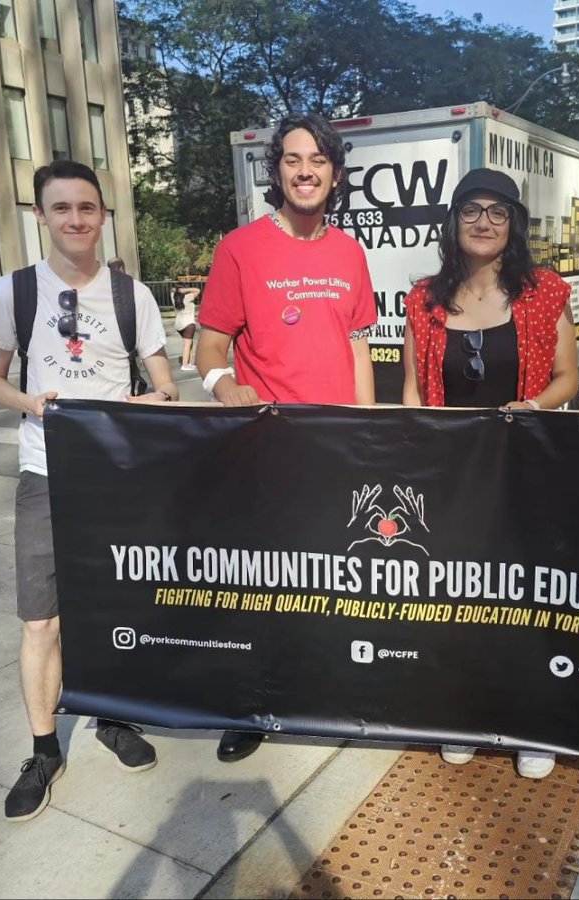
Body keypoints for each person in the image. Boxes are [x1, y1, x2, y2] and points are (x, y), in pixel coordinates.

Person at [0, 160, 181, 822]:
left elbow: (167, 386)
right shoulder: (15, 292)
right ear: (41, 215)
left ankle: (113, 718)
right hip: (45, 471)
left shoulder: (133, 297)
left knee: (119, 602)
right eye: (61, 208)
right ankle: (43, 749)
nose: (75, 220)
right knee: (42, 618)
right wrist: (30, 403)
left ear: (102, 216)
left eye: (86, 208)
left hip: (116, 474)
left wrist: (143, 401)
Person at [196, 112, 377, 761]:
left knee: (335, 576)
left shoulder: (349, 252)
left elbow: (359, 348)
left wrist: (368, 430)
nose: (306, 171)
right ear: (277, 171)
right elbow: (209, 344)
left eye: (318, 161)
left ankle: (329, 694)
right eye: (294, 159)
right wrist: (223, 386)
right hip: (268, 450)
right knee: (266, 581)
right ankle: (253, 703)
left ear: (334, 173)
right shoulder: (240, 249)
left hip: (336, 451)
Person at [402, 167, 577, 778]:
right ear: (453, 222)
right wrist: (415, 461)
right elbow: (412, 392)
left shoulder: (544, 291)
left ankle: (533, 721)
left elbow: (566, 379)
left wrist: (530, 409)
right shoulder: (423, 298)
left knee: (526, 597)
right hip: (451, 476)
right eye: (471, 210)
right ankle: (465, 711)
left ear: (514, 225)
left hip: (526, 471)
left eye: (497, 212)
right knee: (459, 596)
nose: (483, 222)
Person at [172, 286, 199, 371]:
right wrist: (185, 290)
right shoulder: (187, 298)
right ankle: (185, 364)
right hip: (188, 324)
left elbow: (172, 290)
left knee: (189, 344)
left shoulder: (173, 298)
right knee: (187, 345)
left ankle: (190, 363)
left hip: (178, 324)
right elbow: (198, 290)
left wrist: (177, 290)